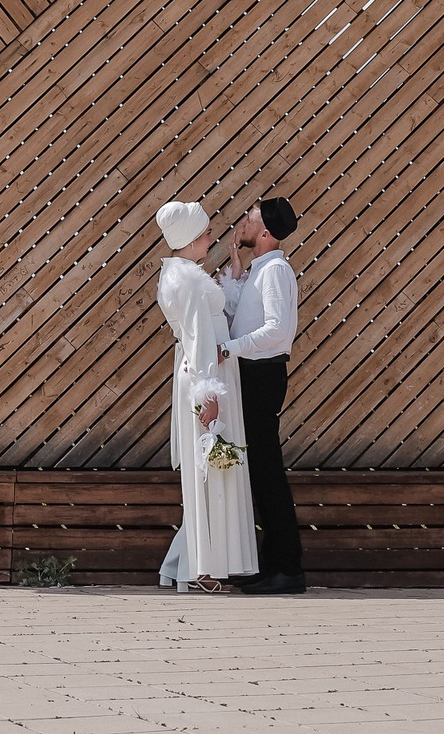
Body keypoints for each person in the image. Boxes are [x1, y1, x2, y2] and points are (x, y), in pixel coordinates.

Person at [152, 200, 257, 590]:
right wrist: (208, 396)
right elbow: (198, 340)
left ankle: (184, 564)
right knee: (210, 470)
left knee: (210, 468)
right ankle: (203, 571)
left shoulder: (178, 274)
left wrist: (229, 279)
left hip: (204, 374)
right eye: (207, 231)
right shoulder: (189, 280)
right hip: (206, 377)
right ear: (192, 237)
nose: (212, 236)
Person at [218, 196, 305, 594]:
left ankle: (287, 569)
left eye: (249, 218)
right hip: (253, 375)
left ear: (266, 231)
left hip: (262, 376)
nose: (243, 223)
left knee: (268, 472)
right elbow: (242, 320)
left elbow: (276, 331)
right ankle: (276, 566)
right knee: (260, 471)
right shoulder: (259, 270)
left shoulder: (275, 272)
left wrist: (229, 350)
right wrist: (235, 276)